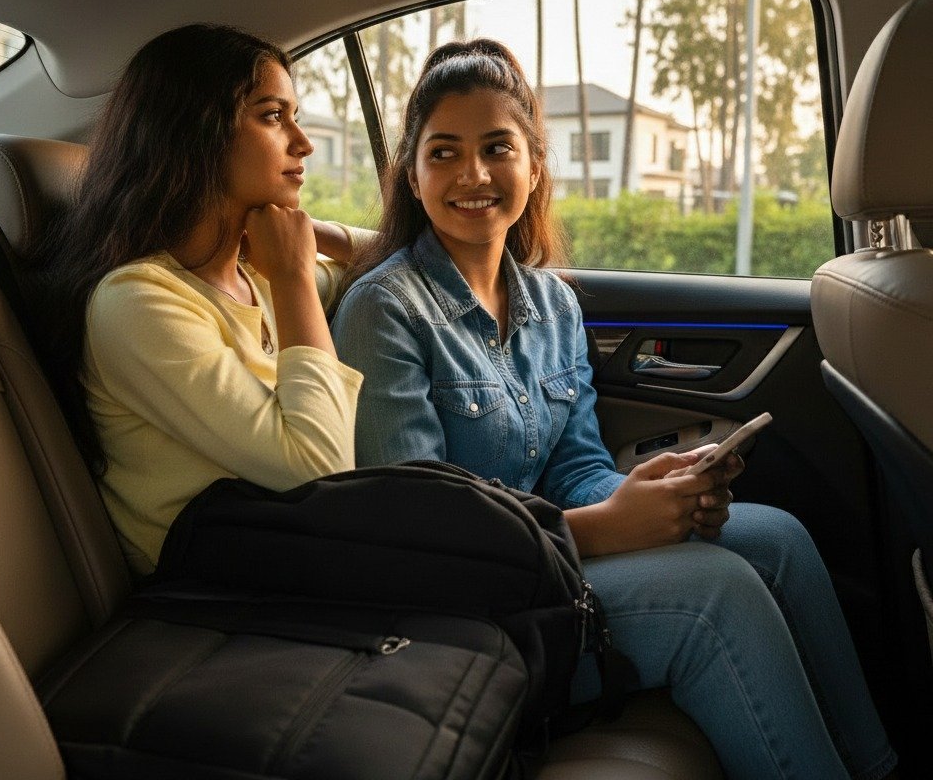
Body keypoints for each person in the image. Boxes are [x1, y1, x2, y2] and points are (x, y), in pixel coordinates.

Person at [331, 39, 896, 780]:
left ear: (534, 167)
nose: (473, 174)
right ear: (413, 174)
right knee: (714, 595)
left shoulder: (553, 303)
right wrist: (603, 530)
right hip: (474, 613)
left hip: (552, 565)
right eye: (444, 153)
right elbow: (427, 542)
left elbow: (577, 467)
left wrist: (652, 494)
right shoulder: (384, 311)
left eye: (497, 147)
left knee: (781, 539)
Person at [44, 24, 362, 575]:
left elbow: (402, 259)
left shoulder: (253, 273)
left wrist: (314, 234)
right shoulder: (139, 302)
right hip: (218, 587)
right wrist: (293, 278)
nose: (302, 141)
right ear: (196, 133)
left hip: (290, 553)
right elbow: (320, 472)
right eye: (271, 115)